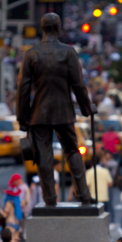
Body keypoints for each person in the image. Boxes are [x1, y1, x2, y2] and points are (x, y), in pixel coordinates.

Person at [16, 12, 93, 206]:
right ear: (58, 28)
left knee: (43, 154)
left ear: (42, 28)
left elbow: (23, 90)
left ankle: (49, 199)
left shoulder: (31, 54)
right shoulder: (68, 53)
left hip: (39, 112)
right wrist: (86, 107)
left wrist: (22, 117)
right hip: (63, 111)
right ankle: (83, 194)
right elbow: (78, 85)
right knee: (73, 151)